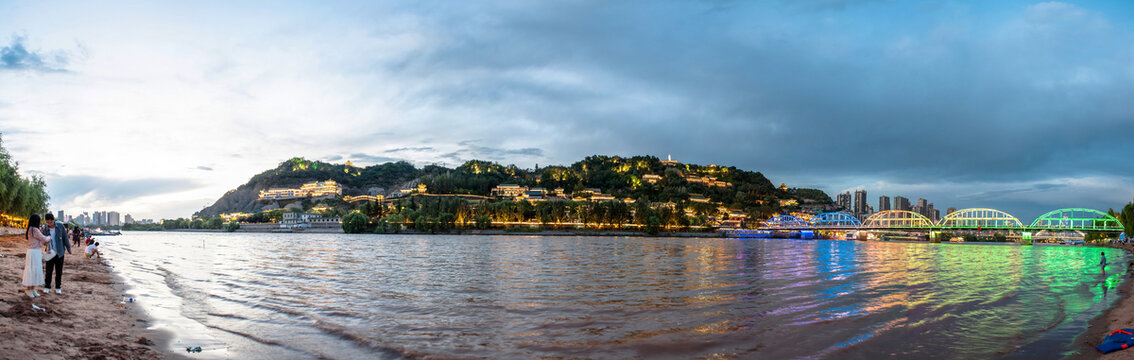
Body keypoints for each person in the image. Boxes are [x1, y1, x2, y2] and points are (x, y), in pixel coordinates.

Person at [42, 213, 72, 294]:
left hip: (60, 252)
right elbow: (43, 240)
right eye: (47, 222)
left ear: (53, 220)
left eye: (50, 222)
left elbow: (65, 237)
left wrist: (69, 248)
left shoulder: (60, 226)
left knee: (59, 271)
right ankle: (47, 286)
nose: (49, 224)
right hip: (50, 252)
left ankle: (58, 287)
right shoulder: (45, 229)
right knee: (48, 271)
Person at [23, 214, 48, 298]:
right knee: (33, 270)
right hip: (34, 252)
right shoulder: (35, 230)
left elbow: (39, 242)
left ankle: (32, 289)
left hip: (33, 251)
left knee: (32, 270)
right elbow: (44, 239)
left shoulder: (30, 229)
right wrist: (50, 237)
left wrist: (43, 241)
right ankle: (29, 289)